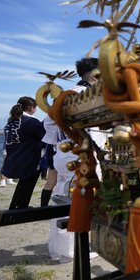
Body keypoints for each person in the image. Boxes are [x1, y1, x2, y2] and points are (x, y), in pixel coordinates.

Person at [43, 57, 104, 262]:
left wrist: (58, 143)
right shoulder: (85, 95)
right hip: (79, 155)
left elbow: (49, 125)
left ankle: (60, 247)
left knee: (64, 199)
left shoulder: (64, 96)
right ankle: (69, 250)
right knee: (77, 199)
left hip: (64, 154)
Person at [2, 96, 46, 209]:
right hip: (29, 157)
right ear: (32, 108)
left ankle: (15, 206)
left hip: (14, 156)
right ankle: (20, 207)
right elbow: (45, 138)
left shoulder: (11, 121)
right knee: (28, 183)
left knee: (24, 183)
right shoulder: (31, 122)